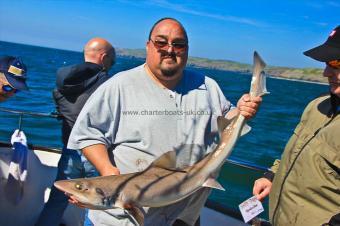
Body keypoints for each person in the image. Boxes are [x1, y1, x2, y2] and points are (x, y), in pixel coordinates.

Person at [67, 18, 262, 226]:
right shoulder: (119, 86)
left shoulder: (208, 86)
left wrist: (241, 110)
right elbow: (88, 134)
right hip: (124, 218)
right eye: (161, 42)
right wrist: (107, 172)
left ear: (186, 50)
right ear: (148, 45)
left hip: (185, 216)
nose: (169, 49)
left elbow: (225, 120)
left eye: (178, 44)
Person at [253, 25, 340, 226]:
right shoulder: (317, 105)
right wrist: (272, 175)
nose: (326, 72)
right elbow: (296, 152)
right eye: (327, 63)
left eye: (336, 63)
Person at [35, 38, 116, 226]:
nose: (111, 66)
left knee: (57, 201)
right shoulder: (110, 85)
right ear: (104, 58)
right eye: (112, 62)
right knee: (96, 207)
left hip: (70, 150)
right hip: (98, 154)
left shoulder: (61, 84)